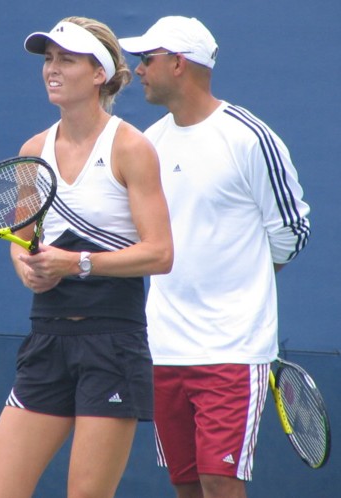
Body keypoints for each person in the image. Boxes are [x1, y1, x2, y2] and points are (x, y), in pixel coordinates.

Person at [0, 16, 173, 498]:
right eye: (48, 59)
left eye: (66, 59)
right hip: (47, 340)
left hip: (112, 343)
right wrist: (27, 269)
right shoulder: (33, 151)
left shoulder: (131, 147)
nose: (52, 69)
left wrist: (78, 263)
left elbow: (161, 253)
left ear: (99, 73)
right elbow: (20, 241)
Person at [119, 15, 310, 498]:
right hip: (163, 347)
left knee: (218, 481)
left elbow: (291, 230)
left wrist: (244, 278)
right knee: (185, 484)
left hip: (232, 347)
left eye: (147, 59)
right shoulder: (149, 145)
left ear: (178, 64)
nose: (138, 69)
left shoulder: (249, 138)